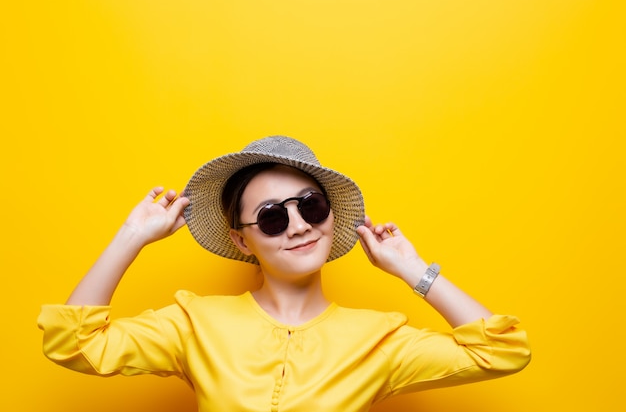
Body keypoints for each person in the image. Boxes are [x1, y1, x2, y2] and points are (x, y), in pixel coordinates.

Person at [37, 136, 531, 412]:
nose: (297, 226)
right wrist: (131, 237)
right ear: (241, 239)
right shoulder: (194, 323)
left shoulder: (379, 340)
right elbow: (73, 343)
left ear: (330, 216)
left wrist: (414, 271)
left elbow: (502, 351)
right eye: (273, 216)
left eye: (311, 207)